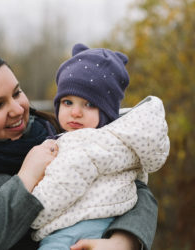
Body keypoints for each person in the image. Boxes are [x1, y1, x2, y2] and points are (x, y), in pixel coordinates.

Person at [0, 46, 159, 250]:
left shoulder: (54, 129)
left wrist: (123, 242)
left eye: (17, 93)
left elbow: (132, 185)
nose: (18, 109)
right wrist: (25, 179)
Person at [29, 43, 170, 250]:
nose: (76, 112)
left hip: (83, 227)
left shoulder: (95, 143)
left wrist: (32, 216)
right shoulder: (64, 140)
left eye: (89, 104)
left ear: (107, 112)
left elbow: (65, 183)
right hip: (79, 226)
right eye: (67, 102)